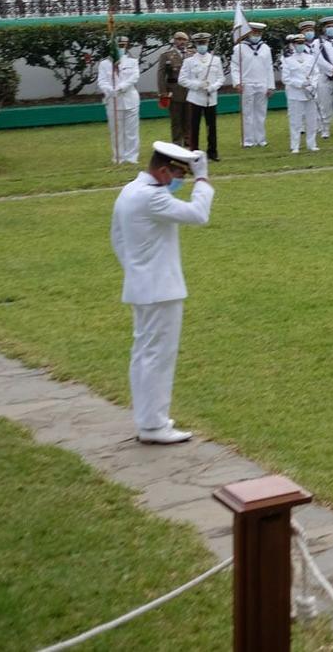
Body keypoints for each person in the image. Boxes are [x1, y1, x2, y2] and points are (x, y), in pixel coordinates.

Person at [110, 141, 213, 444]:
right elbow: (198, 214)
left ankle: (149, 421)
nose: (180, 181)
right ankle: (154, 425)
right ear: (164, 171)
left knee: (144, 355)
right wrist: (203, 179)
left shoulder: (130, 190)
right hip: (160, 290)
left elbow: (117, 239)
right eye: (179, 174)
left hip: (143, 286)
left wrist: (135, 270)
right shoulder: (152, 198)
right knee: (158, 357)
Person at [179, 30, 223, 161]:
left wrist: (212, 87)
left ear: (208, 43)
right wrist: (198, 85)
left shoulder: (215, 60)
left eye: (204, 43)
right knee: (194, 127)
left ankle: (212, 152)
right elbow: (182, 79)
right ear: (196, 45)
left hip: (211, 98)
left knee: (212, 127)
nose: (202, 45)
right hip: (195, 98)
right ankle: (194, 153)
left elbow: (221, 78)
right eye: (199, 43)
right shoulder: (189, 61)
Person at [97, 39, 142, 164]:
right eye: (117, 46)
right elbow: (102, 81)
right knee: (116, 131)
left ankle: (132, 157)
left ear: (126, 46)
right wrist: (110, 90)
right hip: (113, 100)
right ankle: (119, 157)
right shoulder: (104, 64)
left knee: (131, 131)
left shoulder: (132, 62)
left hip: (130, 99)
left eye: (122, 46)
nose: (120, 48)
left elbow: (134, 77)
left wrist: (121, 87)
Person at [281, 30, 322, 154]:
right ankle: (295, 145)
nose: (300, 45)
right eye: (298, 43)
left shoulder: (310, 58)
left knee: (312, 120)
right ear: (293, 44)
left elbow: (316, 73)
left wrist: (313, 85)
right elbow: (286, 78)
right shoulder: (287, 60)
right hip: (295, 94)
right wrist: (300, 84)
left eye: (302, 43)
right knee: (295, 121)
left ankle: (312, 144)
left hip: (310, 93)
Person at [156, 29, 191, 146]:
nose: (181, 42)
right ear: (174, 41)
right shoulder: (166, 56)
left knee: (189, 118)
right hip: (174, 92)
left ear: (187, 41)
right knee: (176, 120)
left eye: (184, 39)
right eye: (179, 39)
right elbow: (161, 75)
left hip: (190, 92)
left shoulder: (192, 55)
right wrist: (163, 92)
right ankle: (177, 142)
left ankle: (188, 140)